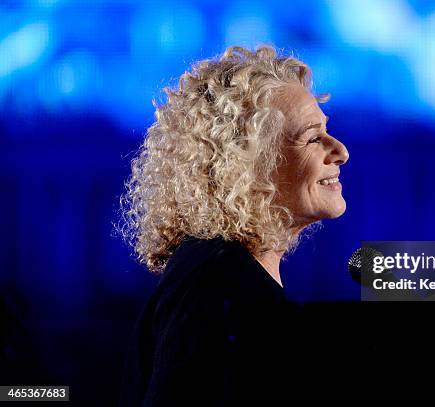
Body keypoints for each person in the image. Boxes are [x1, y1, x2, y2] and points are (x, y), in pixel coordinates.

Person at [117, 45, 349, 406]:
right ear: (247, 163)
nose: (340, 151)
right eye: (312, 136)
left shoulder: (220, 276)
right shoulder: (216, 286)